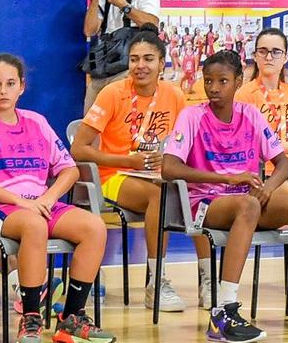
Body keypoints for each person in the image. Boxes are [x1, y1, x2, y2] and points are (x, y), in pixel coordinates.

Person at [162, 50, 288, 343]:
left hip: (247, 203)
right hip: (206, 204)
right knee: (248, 203)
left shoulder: (250, 114)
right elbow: (168, 168)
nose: (213, 88)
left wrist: (269, 188)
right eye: (208, 80)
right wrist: (227, 178)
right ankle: (223, 312)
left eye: (222, 81)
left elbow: (283, 163)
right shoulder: (192, 116)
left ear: (238, 81)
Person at [0, 54, 117, 343]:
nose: (3, 90)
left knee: (94, 226)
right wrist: (20, 201)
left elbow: (68, 169)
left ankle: (71, 320)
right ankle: (30, 320)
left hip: (41, 204)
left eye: (10, 84)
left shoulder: (37, 122)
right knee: (33, 225)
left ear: (22, 87)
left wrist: (48, 197)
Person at [72, 28, 206, 313]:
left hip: (159, 175)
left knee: (200, 194)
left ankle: (209, 280)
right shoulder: (112, 93)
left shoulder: (175, 96)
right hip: (115, 176)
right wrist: (127, 162)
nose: (140, 66)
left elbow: (189, 142)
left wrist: (172, 160)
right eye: (134, 59)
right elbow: (79, 149)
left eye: (148, 59)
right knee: (161, 195)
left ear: (162, 62)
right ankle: (157, 281)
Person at [83, 0, 163, 107]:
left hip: (129, 67)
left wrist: (124, 5)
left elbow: (152, 23)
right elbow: (89, 31)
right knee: (91, 117)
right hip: (103, 67)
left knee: (122, 118)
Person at [238, 27, 288, 164]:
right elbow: (241, 145)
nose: (269, 57)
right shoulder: (243, 96)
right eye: (263, 51)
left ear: (285, 57)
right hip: (263, 174)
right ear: (255, 56)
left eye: (276, 52)